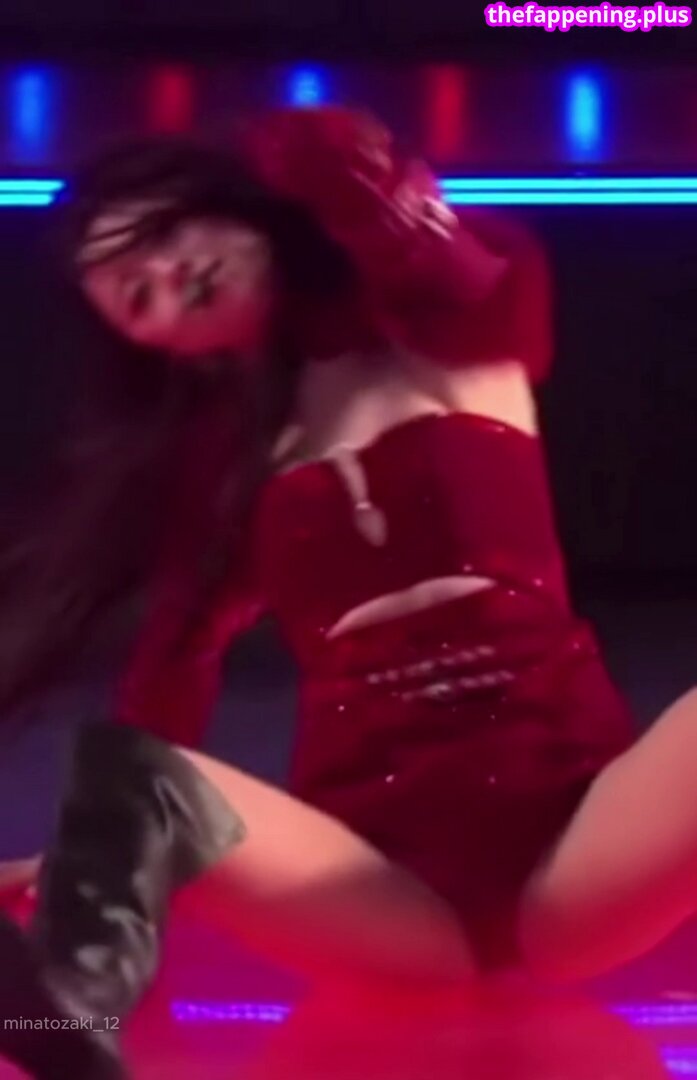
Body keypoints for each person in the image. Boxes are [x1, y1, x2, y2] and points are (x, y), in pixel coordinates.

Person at [1, 106, 697, 1078]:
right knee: (125, 767)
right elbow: (171, 676)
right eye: (135, 292)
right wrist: (94, 857)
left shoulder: (454, 330)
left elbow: (403, 231)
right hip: (378, 887)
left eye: (167, 233)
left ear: (236, 208)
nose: (169, 274)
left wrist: (307, 159)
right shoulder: (225, 476)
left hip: (573, 848)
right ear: (149, 343)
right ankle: (53, 1033)